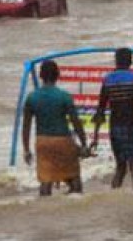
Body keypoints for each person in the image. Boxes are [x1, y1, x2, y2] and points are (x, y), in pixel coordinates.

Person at [21, 60, 89, 196]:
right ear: (58, 75)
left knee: (46, 181)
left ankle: (44, 211)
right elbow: (76, 123)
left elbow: (26, 127)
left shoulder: (32, 98)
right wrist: (83, 144)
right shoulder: (64, 97)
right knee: (74, 179)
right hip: (63, 140)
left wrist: (27, 150)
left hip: (42, 142)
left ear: (41, 76)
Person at [91, 48, 133, 191]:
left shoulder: (108, 80)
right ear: (131, 61)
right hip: (132, 127)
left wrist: (95, 137)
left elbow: (100, 110)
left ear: (116, 60)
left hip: (115, 128)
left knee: (120, 167)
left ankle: (114, 192)